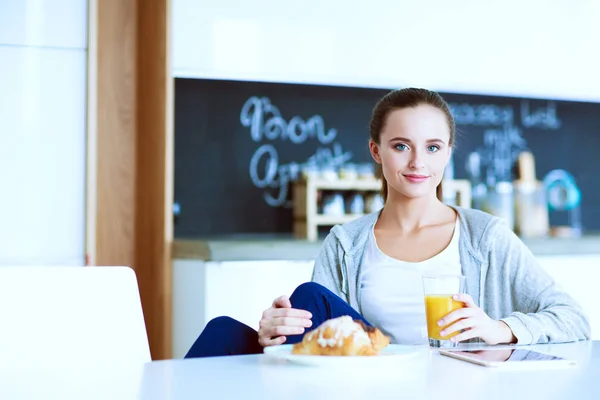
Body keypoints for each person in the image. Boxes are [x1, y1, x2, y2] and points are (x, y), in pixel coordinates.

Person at [185, 88, 591, 358]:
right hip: (369, 380)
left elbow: (573, 319)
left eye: (432, 147)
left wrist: (498, 327)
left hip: (448, 383)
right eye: (401, 146)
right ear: (377, 152)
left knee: (306, 295)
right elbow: (321, 344)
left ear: (448, 153)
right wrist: (278, 329)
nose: (418, 163)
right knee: (223, 331)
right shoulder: (347, 243)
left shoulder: (485, 237)